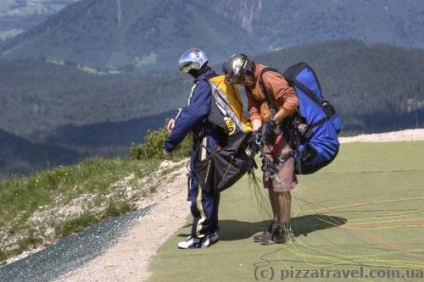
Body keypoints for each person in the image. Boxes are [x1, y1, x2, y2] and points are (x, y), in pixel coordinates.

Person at [225, 54, 299, 244]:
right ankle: (276, 224)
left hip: (284, 133)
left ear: (248, 69)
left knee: (280, 183)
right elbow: (254, 110)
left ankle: (284, 229)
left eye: (242, 78)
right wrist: (257, 134)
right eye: (239, 81)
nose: (242, 83)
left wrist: (273, 121)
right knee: (270, 181)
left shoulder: (267, 77)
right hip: (269, 135)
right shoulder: (250, 83)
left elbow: (292, 101)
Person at [163, 48, 224, 249]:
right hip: (215, 140)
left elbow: (195, 114)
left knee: (199, 187)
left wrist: (171, 143)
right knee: (210, 188)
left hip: (206, 142)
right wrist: (177, 117)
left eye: (188, 68)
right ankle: (211, 231)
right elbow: (192, 111)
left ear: (194, 66)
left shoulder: (202, 85)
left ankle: (200, 235)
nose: (188, 72)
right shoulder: (213, 80)